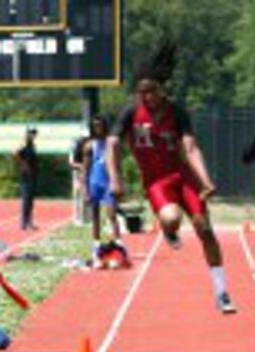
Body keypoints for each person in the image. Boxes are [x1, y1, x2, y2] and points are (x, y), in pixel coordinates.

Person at [106, 41, 236, 313]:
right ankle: (168, 229)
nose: (146, 97)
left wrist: (205, 180)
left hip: (183, 176)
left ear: (161, 88)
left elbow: (190, 147)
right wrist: (115, 178)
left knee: (204, 229)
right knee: (172, 218)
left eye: (150, 91)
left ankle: (222, 291)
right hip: (156, 182)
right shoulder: (130, 112)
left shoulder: (176, 112)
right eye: (141, 92)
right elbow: (112, 144)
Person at [82, 115, 126, 267]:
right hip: (95, 183)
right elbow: (85, 170)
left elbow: (118, 165)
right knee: (95, 216)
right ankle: (96, 244)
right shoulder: (89, 145)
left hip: (109, 183)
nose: (97, 128)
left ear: (105, 126)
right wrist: (86, 190)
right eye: (95, 125)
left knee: (111, 214)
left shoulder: (111, 143)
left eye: (100, 125)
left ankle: (119, 244)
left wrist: (120, 182)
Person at [14, 127, 39, 230]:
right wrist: (23, 165)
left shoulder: (32, 144)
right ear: (27, 133)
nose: (33, 135)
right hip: (25, 175)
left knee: (31, 199)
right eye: (31, 133)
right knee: (26, 198)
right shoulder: (23, 144)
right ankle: (24, 222)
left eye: (34, 133)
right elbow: (15, 154)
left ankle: (29, 221)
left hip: (33, 174)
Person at [68, 133, 90, 226]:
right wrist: (81, 167)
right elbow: (71, 163)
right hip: (77, 173)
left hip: (86, 172)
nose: (85, 140)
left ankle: (87, 218)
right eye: (83, 139)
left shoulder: (88, 147)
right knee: (78, 195)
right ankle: (77, 218)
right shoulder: (74, 148)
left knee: (86, 195)